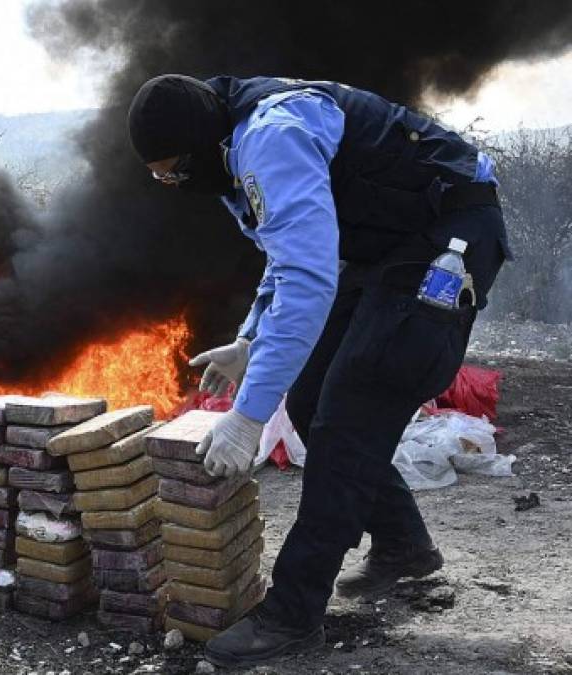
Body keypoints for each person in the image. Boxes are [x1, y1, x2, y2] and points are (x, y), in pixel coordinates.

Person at [127, 74, 510, 666]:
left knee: (351, 415)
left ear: (198, 145)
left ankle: (293, 614)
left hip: (447, 233)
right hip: (388, 245)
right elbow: (288, 256)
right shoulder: (232, 140)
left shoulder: (270, 137)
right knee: (309, 402)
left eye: (174, 170)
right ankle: (404, 547)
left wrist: (247, 417)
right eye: (158, 178)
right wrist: (249, 340)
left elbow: (309, 282)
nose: (174, 184)